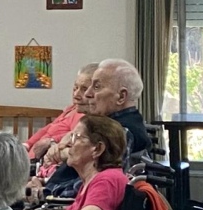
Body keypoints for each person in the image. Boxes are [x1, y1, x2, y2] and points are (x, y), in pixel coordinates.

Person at [44, 58, 151, 197]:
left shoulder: (120, 132)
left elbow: (96, 187)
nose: (87, 94)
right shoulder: (107, 125)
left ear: (121, 96)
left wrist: (44, 191)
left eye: (96, 87)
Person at [25, 63, 97, 161]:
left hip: (39, 163)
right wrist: (27, 144)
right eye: (75, 88)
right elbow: (49, 127)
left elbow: (76, 136)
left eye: (84, 89)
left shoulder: (84, 117)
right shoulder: (72, 108)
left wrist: (52, 141)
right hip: (29, 159)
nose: (76, 94)